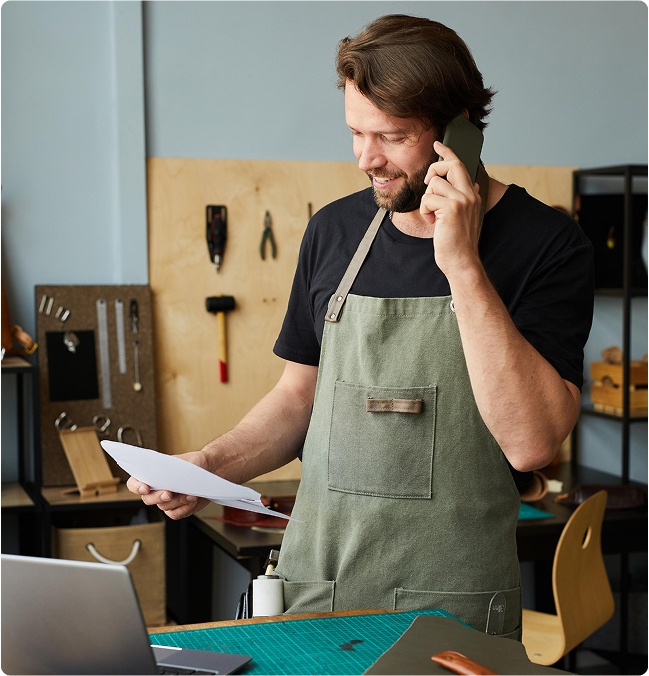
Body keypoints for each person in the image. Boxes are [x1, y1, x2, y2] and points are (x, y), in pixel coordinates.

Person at [128, 15, 594, 639]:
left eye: (392, 136)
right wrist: (205, 468)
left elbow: (533, 443)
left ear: (459, 131)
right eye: (355, 132)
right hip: (318, 590)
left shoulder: (548, 243)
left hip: (450, 610)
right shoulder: (333, 231)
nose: (366, 158)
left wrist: (461, 263)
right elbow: (299, 399)